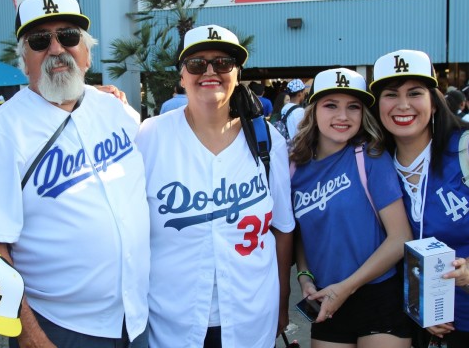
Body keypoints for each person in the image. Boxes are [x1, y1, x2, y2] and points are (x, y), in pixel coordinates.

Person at [0, 0, 150, 348]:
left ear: (87, 51)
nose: (56, 49)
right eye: (39, 40)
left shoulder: (116, 111)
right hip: (58, 328)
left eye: (68, 36)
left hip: (137, 316)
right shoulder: (0, 133)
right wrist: (30, 335)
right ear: (24, 59)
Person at [136, 24, 295, 348]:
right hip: (171, 321)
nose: (210, 71)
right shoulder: (149, 136)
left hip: (251, 318)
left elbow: (282, 229)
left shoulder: (267, 140)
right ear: (182, 76)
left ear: (237, 73)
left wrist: (281, 302)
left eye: (223, 63)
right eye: (197, 63)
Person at [290, 68, 413, 347]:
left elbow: (400, 238)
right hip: (327, 298)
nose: (343, 116)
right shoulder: (294, 166)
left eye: (353, 107)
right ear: (313, 110)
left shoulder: (370, 155)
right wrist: (305, 276)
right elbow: (304, 232)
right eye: (331, 105)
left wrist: (346, 288)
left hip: (378, 295)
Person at [370, 49, 469, 348]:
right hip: (410, 323)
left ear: (434, 103)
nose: (403, 105)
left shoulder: (464, 151)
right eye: (390, 94)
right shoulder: (373, 165)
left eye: (415, 92)